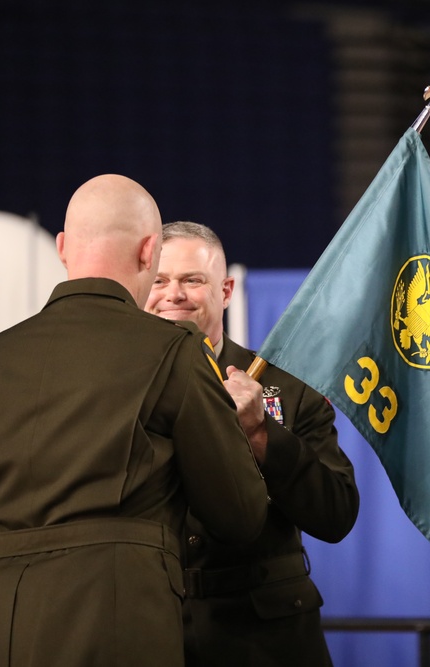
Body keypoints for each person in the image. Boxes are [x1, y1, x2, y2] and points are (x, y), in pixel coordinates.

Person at [0, 175, 269, 666]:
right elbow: (238, 513)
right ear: (149, 251)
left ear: (63, 248)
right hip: (118, 630)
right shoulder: (175, 352)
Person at [145, 221, 359, 667]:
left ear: (225, 290)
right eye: (159, 280)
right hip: (151, 630)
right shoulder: (113, 389)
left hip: (263, 638)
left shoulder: (289, 387)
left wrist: (262, 433)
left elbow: (336, 514)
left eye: (192, 280)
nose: (173, 294)